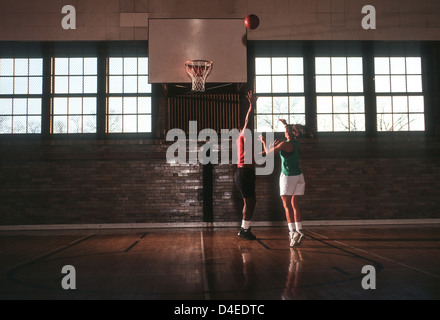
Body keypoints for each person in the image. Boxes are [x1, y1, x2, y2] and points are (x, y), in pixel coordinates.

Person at [259, 119, 306, 247]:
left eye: (285, 131)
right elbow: (290, 131)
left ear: (287, 133)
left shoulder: (284, 144)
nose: (285, 132)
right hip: (299, 177)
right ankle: (300, 231)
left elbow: (268, 153)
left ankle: (292, 233)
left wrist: (264, 142)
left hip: (288, 177)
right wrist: (286, 124)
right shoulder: (296, 143)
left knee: (286, 205)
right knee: (295, 205)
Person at [235, 91, 258, 240]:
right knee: (249, 202)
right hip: (244, 173)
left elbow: (254, 157)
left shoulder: (245, 143)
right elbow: (248, 121)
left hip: (245, 173)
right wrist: (252, 105)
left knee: (251, 201)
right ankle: (244, 230)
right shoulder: (244, 134)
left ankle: (246, 228)